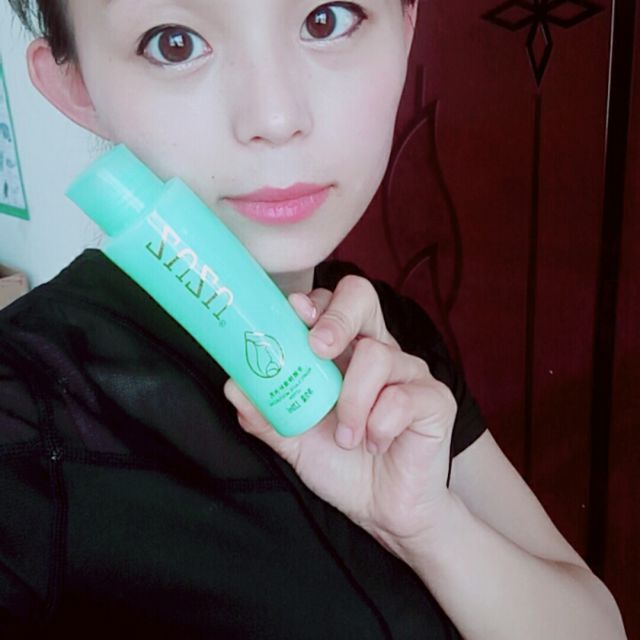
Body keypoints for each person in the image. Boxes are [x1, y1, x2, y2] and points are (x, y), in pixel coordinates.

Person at [0, 0, 627, 637]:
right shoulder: (20, 413)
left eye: (327, 19)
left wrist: (427, 528)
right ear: (75, 86)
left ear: (407, 25)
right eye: (174, 43)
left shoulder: (387, 340)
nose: (275, 119)